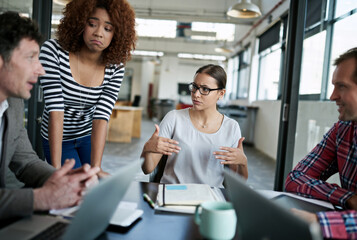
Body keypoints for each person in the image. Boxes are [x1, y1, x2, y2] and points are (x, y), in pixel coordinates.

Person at [0, 11, 99, 221]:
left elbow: (26, 161)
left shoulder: (13, 104)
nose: (41, 70)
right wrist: (40, 198)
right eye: (30, 58)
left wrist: (66, 181)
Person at [39, 0, 136, 178]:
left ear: (117, 34)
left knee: (92, 183)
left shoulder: (115, 66)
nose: (98, 33)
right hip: (58, 137)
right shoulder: (53, 51)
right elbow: (56, 111)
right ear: (79, 23)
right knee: (71, 185)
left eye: (108, 28)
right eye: (92, 24)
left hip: (86, 136)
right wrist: (55, 169)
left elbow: (101, 116)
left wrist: (97, 167)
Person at [285, 47, 357, 239]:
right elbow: (296, 178)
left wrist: (319, 223)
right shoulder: (343, 129)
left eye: (341, 86)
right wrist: (347, 198)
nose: (332, 96)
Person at [141, 64, 248, 188]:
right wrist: (147, 148)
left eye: (205, 89)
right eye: (195, 87)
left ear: (221, 93)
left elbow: (236, 182)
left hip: (209, 198)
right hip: (173, 193)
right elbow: (147, 169)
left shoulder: (231, 127)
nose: (196, 94)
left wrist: (243, 162)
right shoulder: (174, 118)